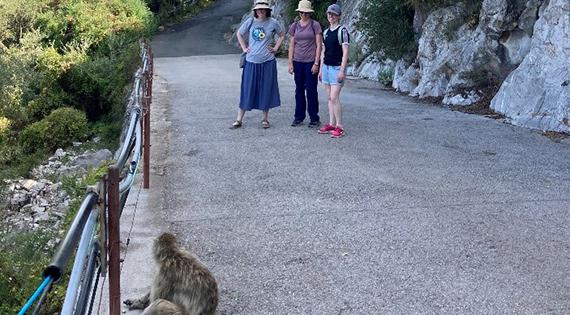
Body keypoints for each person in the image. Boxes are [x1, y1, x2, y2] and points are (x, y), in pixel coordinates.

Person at [230, 0, 285, 129]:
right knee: (247, 89)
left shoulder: (273, 23)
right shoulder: (250, 21)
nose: (260, 11)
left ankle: (265, 119)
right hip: (251, 61)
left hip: (267, 62)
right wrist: (244, 48)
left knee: (266, 89)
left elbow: (282, 35)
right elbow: (239, 33)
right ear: (255, 11)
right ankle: (239, 119)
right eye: (258, 9)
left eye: (263, 9)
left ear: (267, 10)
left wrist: (276, 48)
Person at [288, 0, 323, 128]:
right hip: (298, 61)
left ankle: (314, 118)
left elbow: (319, 45)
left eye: (306, 12)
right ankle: (299, 117)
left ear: (309, 13)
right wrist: (290, 63)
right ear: (299, 13)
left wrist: (316, 63)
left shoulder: (315, 25)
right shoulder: (294, 26)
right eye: (302, 12)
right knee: (299, 90)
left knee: (311, 90)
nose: (304, 14)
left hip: (310, 62)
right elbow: (292, 45)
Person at [318, 3, 350, 138]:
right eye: (329, 14)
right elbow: (323, 51)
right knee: (329, 98)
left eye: (334, 14)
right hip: (326, 67)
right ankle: (331, 123)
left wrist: (342, 70)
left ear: (338, 16)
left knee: (334, 97)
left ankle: (339, 126)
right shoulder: (326, 32)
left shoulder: (342, 31)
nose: (331, 16)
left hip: (337, 67)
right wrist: (320, 69)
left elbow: (345, 51)